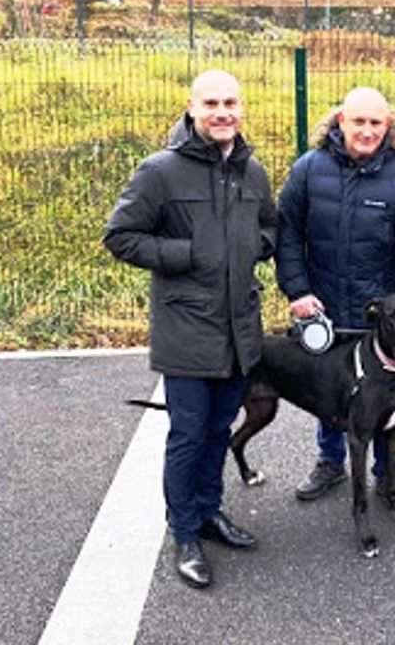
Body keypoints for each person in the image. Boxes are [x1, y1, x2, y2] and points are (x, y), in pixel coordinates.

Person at [103, 69, 277, 589]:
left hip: (238, 329)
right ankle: (184, 534)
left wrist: (256, 247)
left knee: (219, 429)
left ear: (241, 108)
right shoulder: (160, 172)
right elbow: (122, 235)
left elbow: (270, 226)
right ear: (192, 108)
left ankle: (208, 513)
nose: (222, 112)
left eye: (231, 102)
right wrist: (186, 254)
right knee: (187, 435)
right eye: (212, 103)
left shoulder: (253, 172)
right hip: (186, 329)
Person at [276, 86, 395, 509]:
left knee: (387, 395)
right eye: (359, 121)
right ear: (340, 122)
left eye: (376, 123)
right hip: (323, 310)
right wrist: (297, 290)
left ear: (389, 127)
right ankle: (330, 463)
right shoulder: (309, 170)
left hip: (378, 318)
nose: (367, 131)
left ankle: (388, 478)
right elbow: (287, 234)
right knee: (328, 391)